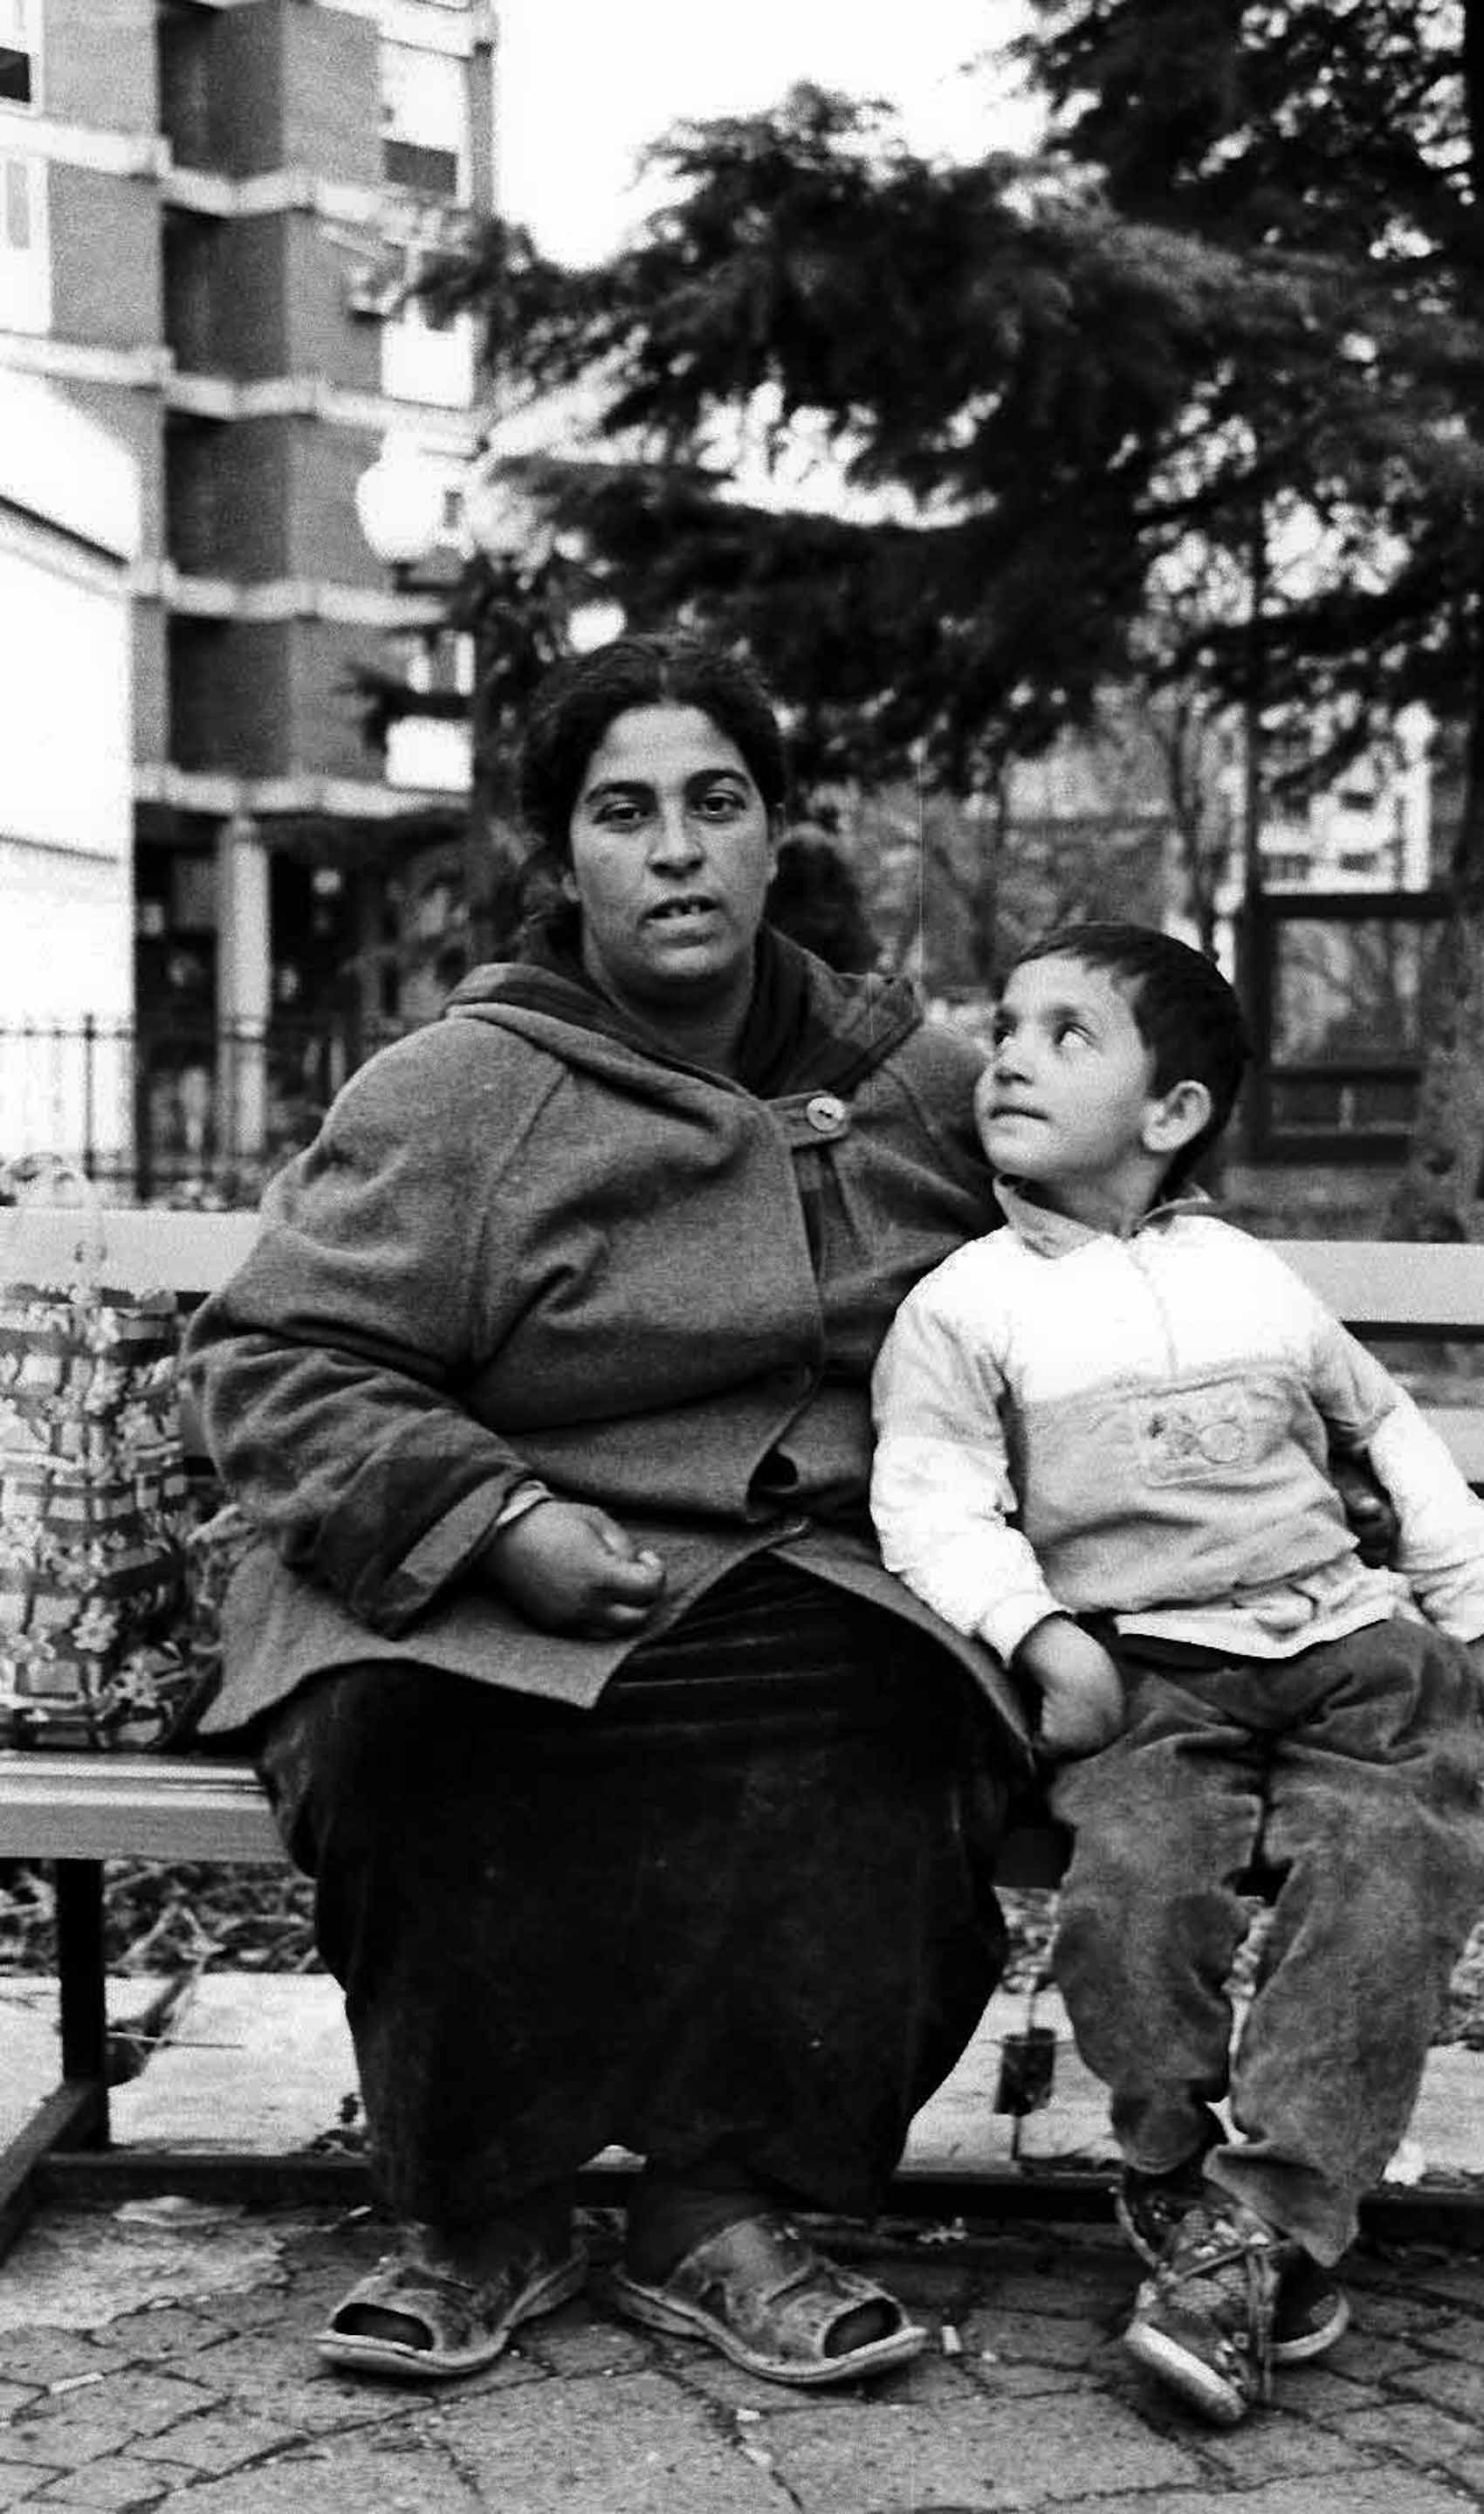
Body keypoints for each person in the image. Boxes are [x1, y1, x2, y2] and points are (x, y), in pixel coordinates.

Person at [182, 631, 1030, 2388]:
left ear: (775, 828)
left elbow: (1127, 1280)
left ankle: (718, 2213)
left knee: (889, 1730)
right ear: (561, 855)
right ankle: (480, 2212)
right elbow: (274, 1361)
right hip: (471, 1554)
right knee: (404, 1742)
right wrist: (496, 1525)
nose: (676, 851)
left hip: (816, 1567)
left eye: (716, 804)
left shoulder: (925, 1085)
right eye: (623, 813)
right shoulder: (459, 1090)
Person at [869, 919, 1484, 2428]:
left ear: (1172, 1113)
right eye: (1006, 1025)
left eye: (1067, 1034)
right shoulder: (965, 1304)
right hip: (1145, 1676)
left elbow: (1387, 1431)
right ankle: (1178, 2175)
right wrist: (1038, 1638)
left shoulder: (1250, 1277)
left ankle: (1264, 2218)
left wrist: (1480, 1617)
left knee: (1391, 1864)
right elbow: (932, 1505)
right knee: (1131, 1896)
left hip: (1347, 1650)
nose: (1010, 1057)